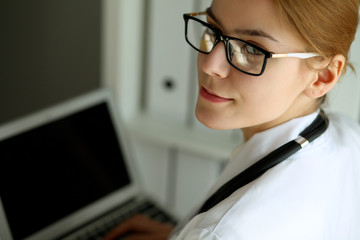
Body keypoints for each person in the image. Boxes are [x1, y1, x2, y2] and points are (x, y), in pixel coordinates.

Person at [103, 0, 360, 239]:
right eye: (213, 31)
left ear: (322, 76)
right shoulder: (349, 136)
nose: (210, 64)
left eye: (252, 49)